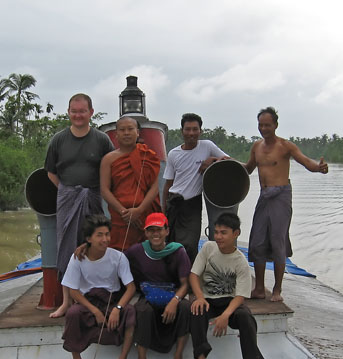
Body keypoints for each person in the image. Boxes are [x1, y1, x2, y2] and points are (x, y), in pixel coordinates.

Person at [244, 107, 328, 302]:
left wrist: (319, 168)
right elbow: (248, 169)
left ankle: (277, 290)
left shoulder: (285, 146)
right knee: (257, 242)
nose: (264, 128)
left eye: (267, 125)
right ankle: (258, 288)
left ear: (275, 125)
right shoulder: (256, 146)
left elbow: (307, 162)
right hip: (264, 197)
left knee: (277, 241)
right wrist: (226, 163)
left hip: (281, 196)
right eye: (261, 125)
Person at [44, 93, 115, 318]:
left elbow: (112, 166)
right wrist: (67, 191)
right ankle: (66, 302)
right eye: (74, 111)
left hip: (93, 197)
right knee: (66, 249)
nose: (78, 115)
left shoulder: (102, 140)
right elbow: (51, 172)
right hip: (67, 198)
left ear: (91, 113)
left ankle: (92, 299)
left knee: (92, 245)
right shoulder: (58, 140)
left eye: (82, 111)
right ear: (68, 113)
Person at [188, 213, 271, 359]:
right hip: (208, 299)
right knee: (196, 311)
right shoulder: (208, 249)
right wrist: (199, 297)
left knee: (246, 318)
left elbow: (240, 295)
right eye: (216, 232)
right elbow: (194, 275)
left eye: (223, 233)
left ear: (236, 233)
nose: (218, 237)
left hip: (230, 301)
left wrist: (225, 315)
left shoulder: (240, 261)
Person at [60, 214, 137, 359]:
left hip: (111, 300)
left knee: (130, 312)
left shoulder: (118, 257)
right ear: (89, 238)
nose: (105, 239)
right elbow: (74, 291)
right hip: (89, 302)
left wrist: (118, 309)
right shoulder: (78, 258)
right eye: (99, 235)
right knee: (73, 313)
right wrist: (95, 311)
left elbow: (130, 288)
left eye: (107, 234)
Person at [124, 212, 192, 359]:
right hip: (148, 295)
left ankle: (178, 357)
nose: (156, 234)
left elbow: (185, 284)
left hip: (173, 295)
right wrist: (85, 248)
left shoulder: (178, 252)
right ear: (146, 233)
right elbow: (115, 259)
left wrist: (174, 301)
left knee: (186, 307)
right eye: (151, 230)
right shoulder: (137, 251)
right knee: (141, 310)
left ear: (167, 231)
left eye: (160, 229)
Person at [162, 113, 229, 264]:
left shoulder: (207, 146)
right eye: (187, 129)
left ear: (200, 131)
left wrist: (212, 160)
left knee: (190, 245)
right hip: (174, 202)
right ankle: (177, 279)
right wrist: (163, 211)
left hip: (192, 204)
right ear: (182, 131)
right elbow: (168, 185)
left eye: (195, 129)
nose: (191, 133)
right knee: (172, 244)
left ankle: (191, 281)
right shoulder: (174, 154)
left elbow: (229, 161)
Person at [100, 116, 161, 251]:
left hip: (144, 215)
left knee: (147, 254)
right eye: (122, 130)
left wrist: (139, 210)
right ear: (116, 134)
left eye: (130, 129)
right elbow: (104, 190)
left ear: (138, 132)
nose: (126, 133)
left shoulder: (148, 155)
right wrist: (124, 212)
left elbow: (154, 188)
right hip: (120, 218)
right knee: (120, 254)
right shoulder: (108, 159)